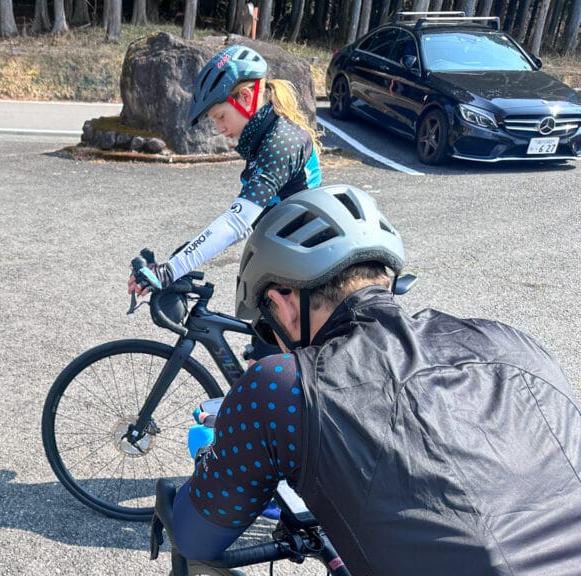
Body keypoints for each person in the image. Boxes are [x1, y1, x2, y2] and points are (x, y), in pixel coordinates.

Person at [170, 184, 581, 574]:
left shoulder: (280, 386)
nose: (272, 344)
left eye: (265, 329)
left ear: (282, 303)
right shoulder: (511, 342)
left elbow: (194, 539)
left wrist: (218, 451)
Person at [129, 44, 322, 360]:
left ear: (245, 99)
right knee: (261, 385)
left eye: (220, 116)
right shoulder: (266, 141)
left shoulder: (282, 141)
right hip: (284, 280)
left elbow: (237, 222)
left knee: (270, 396)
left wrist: (170, 270)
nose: (219, 128)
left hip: (302, 293)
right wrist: (179, 260)